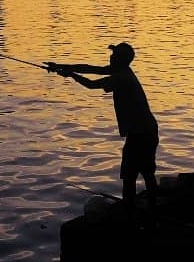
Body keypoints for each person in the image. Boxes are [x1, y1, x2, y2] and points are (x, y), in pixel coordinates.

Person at [47, 42, 159, 225]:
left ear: (121, 59)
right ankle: (153, 211)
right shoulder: (122, 71)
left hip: (140, 134)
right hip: (148, 131)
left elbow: (91, 84)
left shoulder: (121, 77)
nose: (110, 58)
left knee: (130, 175)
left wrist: (71, 75)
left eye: (114, 56)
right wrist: (62, 67)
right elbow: (92, 69)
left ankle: (129, 216)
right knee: (146, 172)